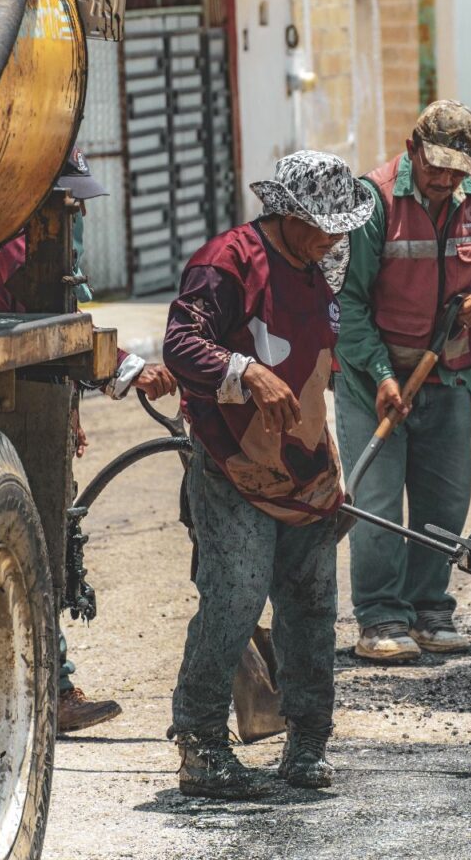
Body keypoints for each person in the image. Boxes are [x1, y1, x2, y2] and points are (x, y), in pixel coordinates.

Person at [163, 150, 374, 799]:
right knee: (236, 596)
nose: (335, 238)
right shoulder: (228, 262)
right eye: (324, 224)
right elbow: (180, 342)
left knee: (311, 607)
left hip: (305, 468)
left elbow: (319, 364)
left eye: (340, 226)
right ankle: (201, 746)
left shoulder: (319, 269)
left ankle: (307, 744)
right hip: (235, 465)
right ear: (289, 213)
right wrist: (245, 371)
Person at [0, 146, 177, 732]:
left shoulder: (18, 232)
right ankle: (50, 690)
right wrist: (122, 367)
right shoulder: (16, 245)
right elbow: (49, 322)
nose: (76, 213)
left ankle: (49, 685)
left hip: (21, 399)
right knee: (31, 545)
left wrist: (67, 407)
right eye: (69, 200)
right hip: (0, 407)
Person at [334, 100, 471, 662]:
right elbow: (347, 303)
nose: (443, 180)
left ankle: (429, 611)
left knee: (445, 502)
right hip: (375, 378)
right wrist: (383, 376)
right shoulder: (375, 200)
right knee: (378, 503)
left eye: (454, 170)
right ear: (412, 148)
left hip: (449, 373)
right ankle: (380, 618)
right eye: (434, 166)